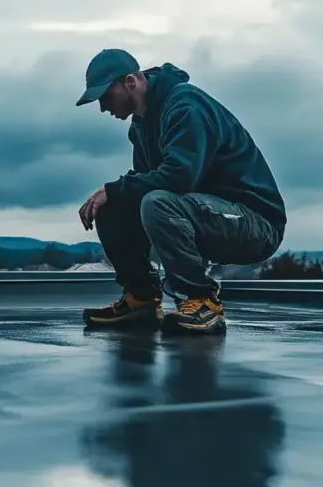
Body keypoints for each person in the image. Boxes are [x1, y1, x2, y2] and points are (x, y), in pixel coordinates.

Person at [75, 48, 286, 335]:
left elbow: (179, 177)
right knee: (114, 204)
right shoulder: (141, 125)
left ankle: (202, 300)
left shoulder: (185, 107)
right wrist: (112, 195)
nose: (102, 107)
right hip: (205, 212)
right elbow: (144, 181)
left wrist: (114, 189)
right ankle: (142, 298)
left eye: (105, 97)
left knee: (154, 201)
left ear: (130, 82)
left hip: (255, 223)